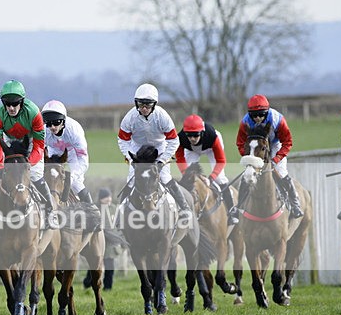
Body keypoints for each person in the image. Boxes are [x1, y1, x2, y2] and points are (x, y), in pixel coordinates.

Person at [0, 79, 57, 227]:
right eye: (7, 104)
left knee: (35, 175)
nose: (11, 108)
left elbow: (39, 145)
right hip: (8, 140)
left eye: (15, 103)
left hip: (29, 142)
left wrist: (29, 163)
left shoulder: (34, 113)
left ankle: (50, 212)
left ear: (22, 101)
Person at [117, 83, 190, 212]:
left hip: (159, 148)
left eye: (148, 104)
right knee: (131, 179)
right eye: (140, 104)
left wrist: (163, 160)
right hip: (137, 149)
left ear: (154, 104)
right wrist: (131, 158)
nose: (144, 108)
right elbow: (122, 140)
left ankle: (185, 208)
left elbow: (174, 140)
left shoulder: (162, 116)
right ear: (136, 103)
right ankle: (120, 211)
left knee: (165, 177)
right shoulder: (130, 118)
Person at [233, 94, 304, 219]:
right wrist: (249, 158)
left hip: (275, 144)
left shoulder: (278, 119)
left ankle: (295, 204)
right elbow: (240, 143)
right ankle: (238, 207)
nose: (258, 118)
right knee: (247, 174)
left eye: (261, 114)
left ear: (267, 112)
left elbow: (287, 142)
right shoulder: (245, 122)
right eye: (254, 115)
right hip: (256, 148)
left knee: (281, 172)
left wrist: (276, 158)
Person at [175, 114, 238, 225]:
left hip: (210, 148)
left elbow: (221, 160)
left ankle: (232, 211)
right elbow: (180, 158)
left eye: (195, 135)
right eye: (189, 135)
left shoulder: (213, 136)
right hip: (192, 150)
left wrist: (211, 178)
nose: (192, 139)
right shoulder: (181, 138)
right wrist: (187, 174)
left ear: (202, 132)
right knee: (188, 179)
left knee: (220, 178)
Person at [42, 99, 93, 204]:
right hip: (54, 152)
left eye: (56, 123)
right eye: (48, 123)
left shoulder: (74, 131)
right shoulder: (44, 131)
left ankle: (92, 211)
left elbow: (83, 161)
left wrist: (71, 177)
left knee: (75, 183)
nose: (52, 127)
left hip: (74, 154)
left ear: (63, 121)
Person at [82, 188, 124, 291]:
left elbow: (119, 224)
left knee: (110, 266)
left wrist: (118, 238)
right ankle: (88, 282)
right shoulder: (95, 208)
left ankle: (108, 287)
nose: (108, 199)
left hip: (110, 243)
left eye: (109, 197)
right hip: (97, 241)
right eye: (106, 197)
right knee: (95, 264)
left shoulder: (114, 209)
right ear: (101, 199)